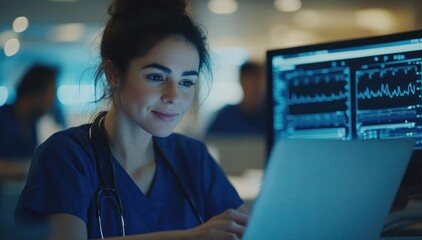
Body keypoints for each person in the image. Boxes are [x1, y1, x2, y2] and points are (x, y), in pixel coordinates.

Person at [15, 0, 248, 239]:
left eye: (186, 81)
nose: (174, 97)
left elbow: (252, 230)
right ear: (113, 74)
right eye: (156, 77)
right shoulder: (68, 155)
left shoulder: (192, 157)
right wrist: (191, 236)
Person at [0, 64, 58, 180]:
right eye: (50, 93)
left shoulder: (32, 124)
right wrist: (28, 167)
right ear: (37, 93)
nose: (52, 102)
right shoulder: (3, 118)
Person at [206, 61, 266, 136]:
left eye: (261, 82)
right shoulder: (225, 116)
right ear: (242, 82)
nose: (259, 87)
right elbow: (209, 143)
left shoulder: (274, 116)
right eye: (254, 82)